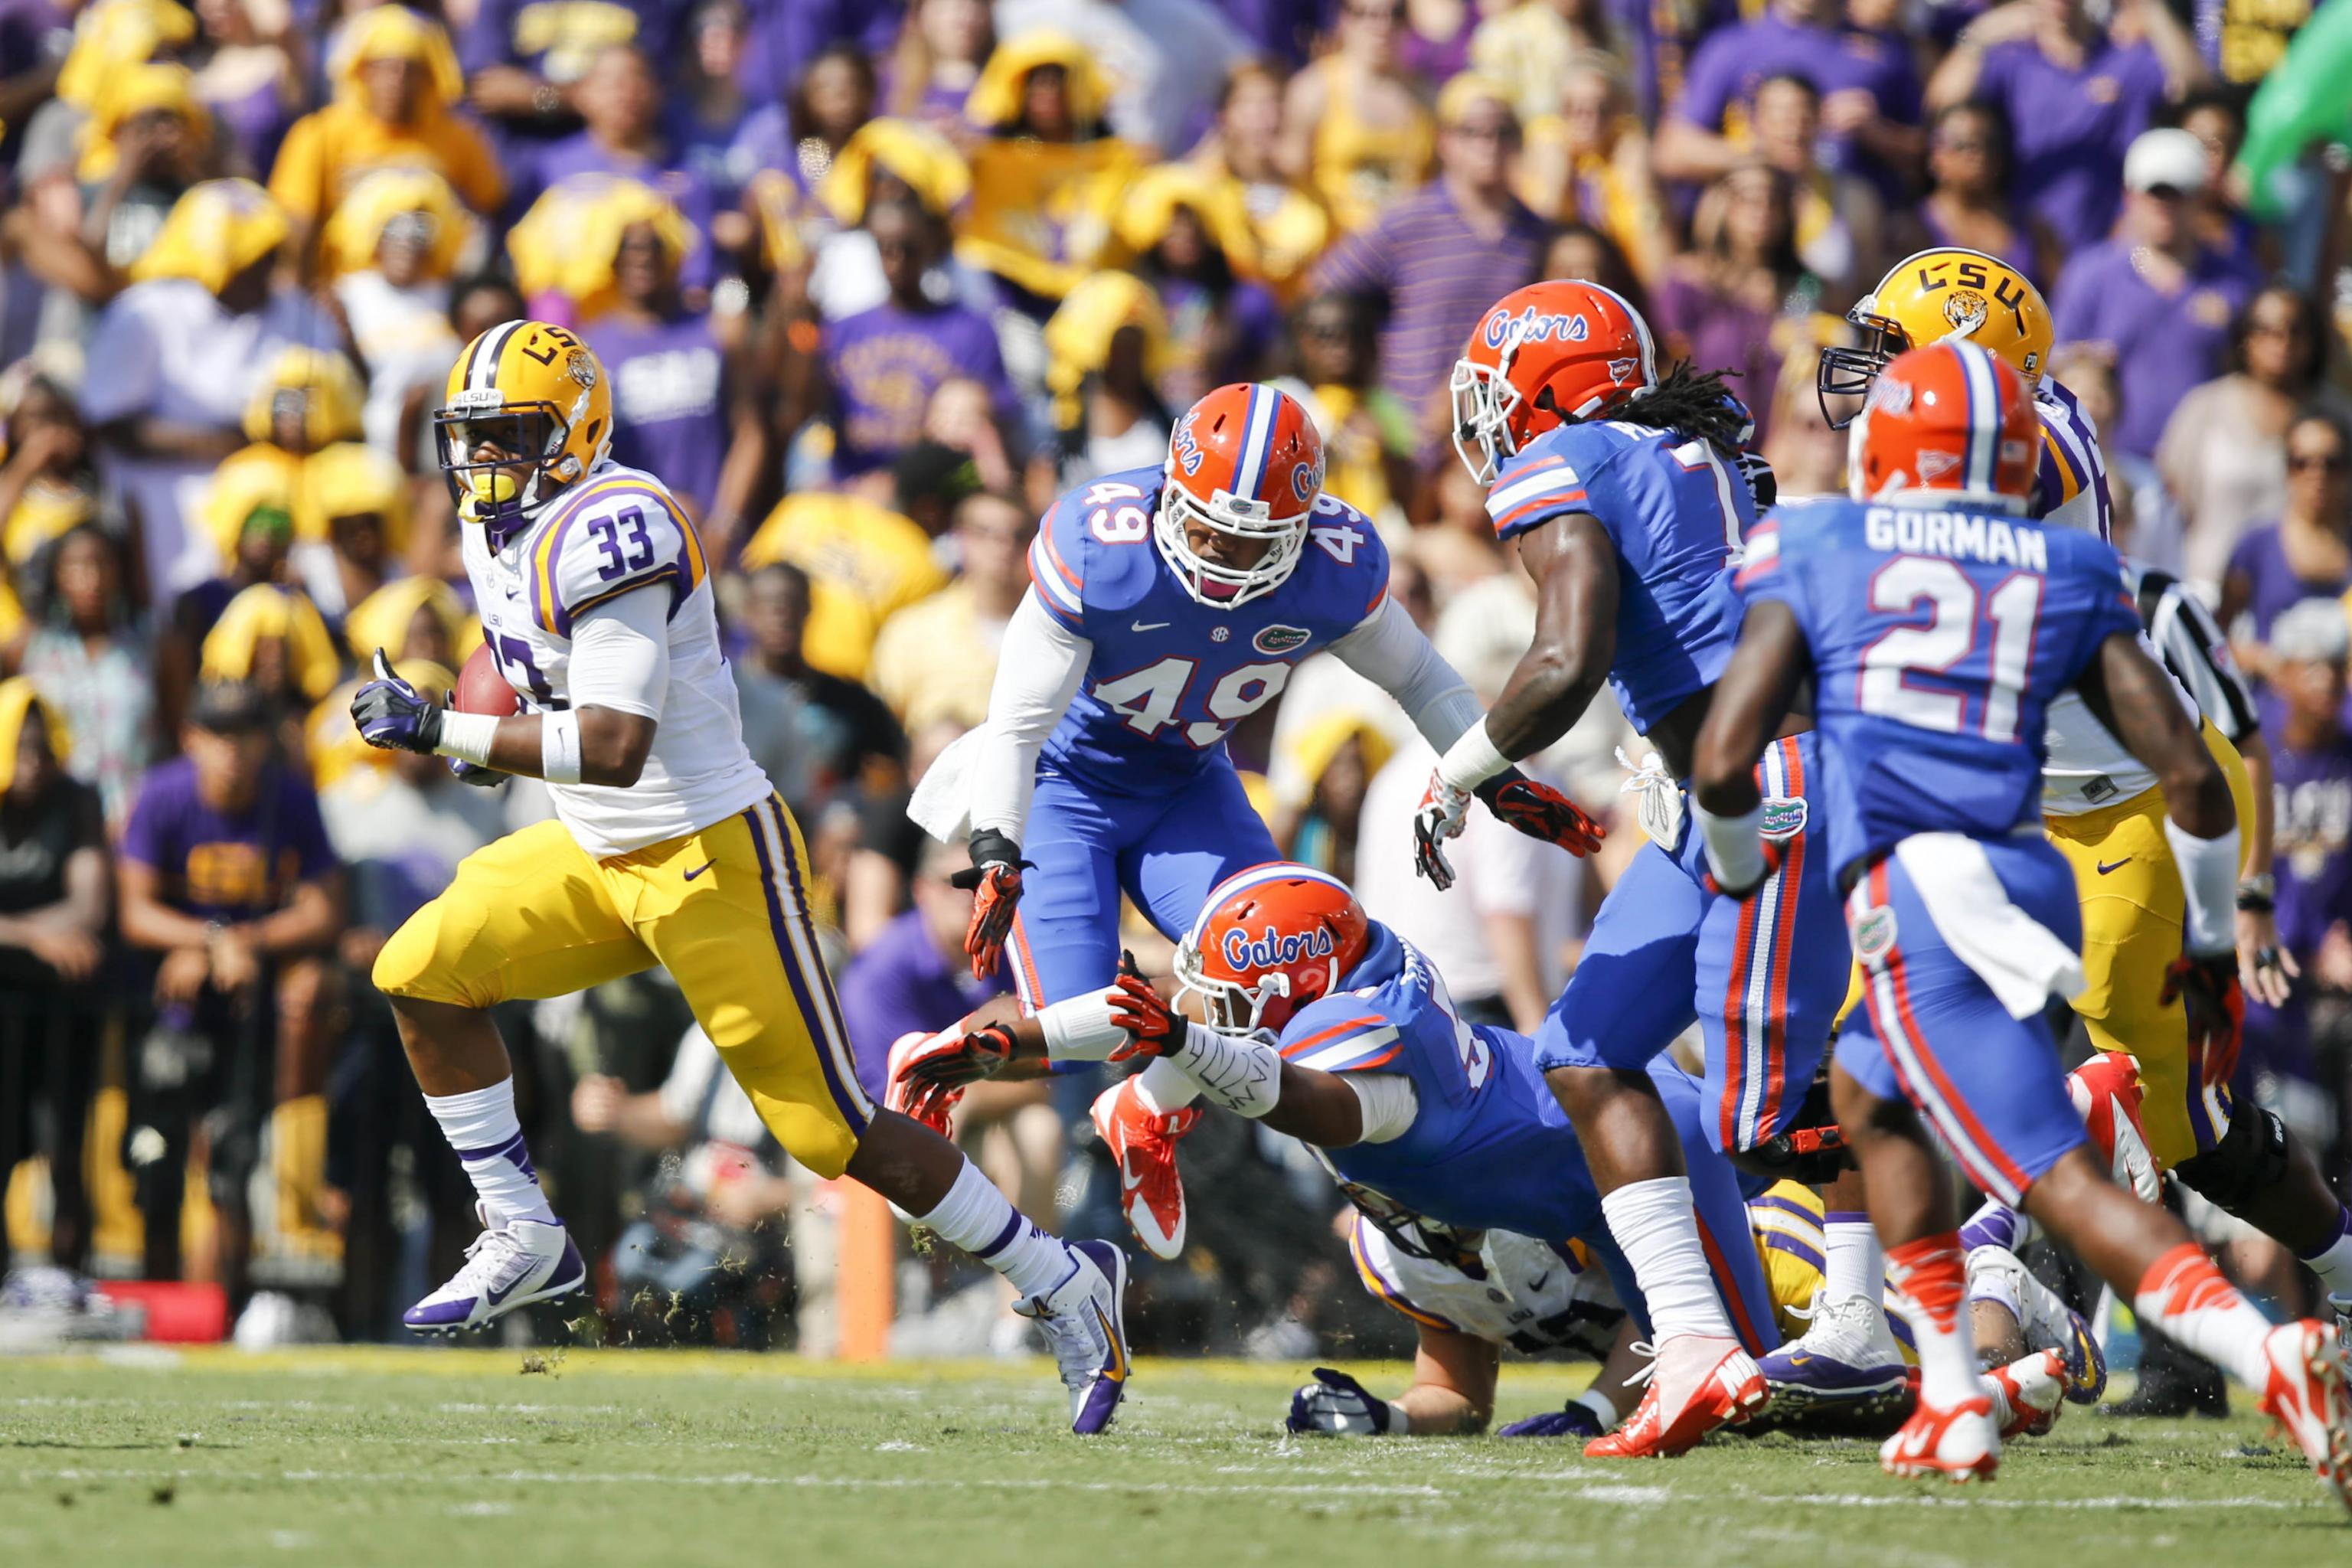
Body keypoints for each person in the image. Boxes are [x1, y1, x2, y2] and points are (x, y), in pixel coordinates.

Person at [345, 320, 1132, 1433]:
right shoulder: (500, 525)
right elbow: (520, 656)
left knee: (829, 1131)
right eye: (471, 438)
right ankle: (521, 1226)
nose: (487, 462)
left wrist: (451, 736)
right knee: (418, 970)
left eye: (513, 435)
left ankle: (1061, 1278)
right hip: (590, 849)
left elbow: (616, 741)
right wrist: (484, 718)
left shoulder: (618, 525)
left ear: (577, 430)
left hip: (708, 853)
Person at [1687, 338, 2349, 1493]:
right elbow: (2195, 780)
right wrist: (2205, 946)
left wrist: (1738, 866)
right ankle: (1951, 1392)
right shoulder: (2069, 568)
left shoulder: (1823, 542)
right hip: (2033, 868)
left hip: (1924, 890)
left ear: (1887, 441)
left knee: (2055, 1178)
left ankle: (2272, 1348)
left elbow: (1726, 756)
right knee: (1870, 1096)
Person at [1811, 240, 2352, 1390]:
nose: (1875, 375)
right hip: (2004, 803)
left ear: (1971, 368)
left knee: (2175, 1128)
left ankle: (2319, 1279)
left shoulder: (2027, 446)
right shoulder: (1998, 425)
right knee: (1868, 1037)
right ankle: (1863, 1320)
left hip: (2123, 808)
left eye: (1899, 351)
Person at [920, 380, 1599, 1261]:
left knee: (1284, 972)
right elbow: (1015, 723)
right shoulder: (1103, 543)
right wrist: (997, 847)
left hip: (1185, 783)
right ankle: (929, 1066)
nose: (1223, 555)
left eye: (1251, 538)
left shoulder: (1332, 561)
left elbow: (1424, 679)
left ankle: (1146, 1111)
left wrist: (1493, 775)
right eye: (1206, 528)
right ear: (1172, 492)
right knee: (1074, 1029)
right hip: (1065, 787)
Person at [1423, 278, 1842, 1455]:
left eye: (1501, 387)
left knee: (1776, 1107)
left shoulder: (1560, 458)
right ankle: (1696, 1349)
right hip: (1715, 789)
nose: (1489, 418)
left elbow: (1568, 654)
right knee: (1583, 1050)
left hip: (1768, 784)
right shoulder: (1699, 445)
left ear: (1549, 385)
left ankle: (1998, 1220)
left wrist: (1457, 771)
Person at [117, 678, 345, 1311]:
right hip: (169, 1013)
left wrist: (241, 941)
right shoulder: (162, 795)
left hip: (250, 1013)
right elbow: (134, 912)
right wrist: (210, 940)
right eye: (219, 734)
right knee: (155, 1170)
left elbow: (325, 911)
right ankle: (156, 1308)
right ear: (192, 738)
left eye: (246, 734)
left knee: (232, 1168)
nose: (233, 750)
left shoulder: (290, 800)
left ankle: (218, 1312)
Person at [80, 178, 295, 599]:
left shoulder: (291, 307)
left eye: (271, 254)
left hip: (266, 492)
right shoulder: (146, 310)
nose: (267, 268)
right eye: (254, 256)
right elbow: (110, 425)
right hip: (163, 491)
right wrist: (227, 443)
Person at [1308, 74, 1550, 420]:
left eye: (1502, 131)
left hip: (1498, 426)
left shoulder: (1534, 233)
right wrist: (1356, 388)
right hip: (1409, 431)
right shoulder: (1408, 220)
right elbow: (1323, 287)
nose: (1490, 144)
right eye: (1473, 132)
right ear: (1446, 141)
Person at [2050, 128, 2264, 462]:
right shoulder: (2090, 275)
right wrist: (2088, 358)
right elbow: (2053, 363)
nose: (2165, 206)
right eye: (2155, 193)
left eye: (2178, 194)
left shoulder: (2238, 281)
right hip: (2111, 463)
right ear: (2129, 197)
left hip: (2206, 466)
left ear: (2200, 198)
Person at [1928, 0, 2205, 255]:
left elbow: (2196, 86)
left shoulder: (2123, 56)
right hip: (2030, 244)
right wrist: (1980, 35)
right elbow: (1941, 106)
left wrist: (2150, 8)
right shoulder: (2014, 59)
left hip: (2114, 244)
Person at [0, 678, 109, 1272]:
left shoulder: (76, 801)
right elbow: (62, 923)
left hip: (61, 1012)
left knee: (65, 1152)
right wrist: (39, 936)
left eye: (42, 750)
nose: (32, 763)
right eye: (19, 749)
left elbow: (89, 908)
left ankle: (73, 1280)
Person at [266, 8, 503, 272]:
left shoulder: (460, 137)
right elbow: (296, 223)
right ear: (362, 71)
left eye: (410, 69)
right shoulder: (319, 134)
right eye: (385, 68)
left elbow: (490, 210)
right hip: (345, 290)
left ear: (430, 74)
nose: (397, 81)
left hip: (434, 293)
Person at [580, 214, 766, 530]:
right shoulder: (588, 351)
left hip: (714, 534)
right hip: (634, 539)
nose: (641, 256)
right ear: (610, 258)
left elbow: (749, 432)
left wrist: (724, 522)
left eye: (653, 245)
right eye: (628, 246)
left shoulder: (715, 331)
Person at [2161, 284, 2344, 596]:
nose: (2281, 342)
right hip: (2207, 586)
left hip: (2305, 599)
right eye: (2267, 330)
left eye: (2295, 330)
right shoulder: (2205, 407)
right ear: (2246, 337)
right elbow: (2174, 497)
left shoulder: (2337, 419)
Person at [819, 198, 1011, 482]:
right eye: (884, 248)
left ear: (928, 248)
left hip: (934, 488)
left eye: (907, 249)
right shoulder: (844, 328)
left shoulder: (971, 330)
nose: (895, 259)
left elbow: (1000, 416)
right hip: (851, 486)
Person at [1655, 0, 1922, 198]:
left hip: (1860, 230)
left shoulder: (1883, 49)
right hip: (1767, 223)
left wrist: (1878, 133)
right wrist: (1763, 151)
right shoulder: (1732, 46)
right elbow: (1672, 151)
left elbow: (1929, 154)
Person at [867, 491, 1033, 734]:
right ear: (960, 538)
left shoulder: (1058, 632)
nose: (1004, 546)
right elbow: (880, 725)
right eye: (986, 532)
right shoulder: (913, 628)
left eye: (1018, 536)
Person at [1279, 0, 1434, 238]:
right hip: (1337, 248)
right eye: (1366, 14)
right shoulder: (1314, 89)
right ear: (1344, 20)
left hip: (1410, 249)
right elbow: (1290, 178)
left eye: (1395, 14)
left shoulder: (1427, 97)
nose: (1382, 26)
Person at [2218, 411, 2352, 667]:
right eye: (2302, 463)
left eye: (2331, 464)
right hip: (2273, 701)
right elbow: (2217, 638)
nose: (2317, 475)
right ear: (2286, 469)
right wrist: (2260, 660)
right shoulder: (2255, 547)